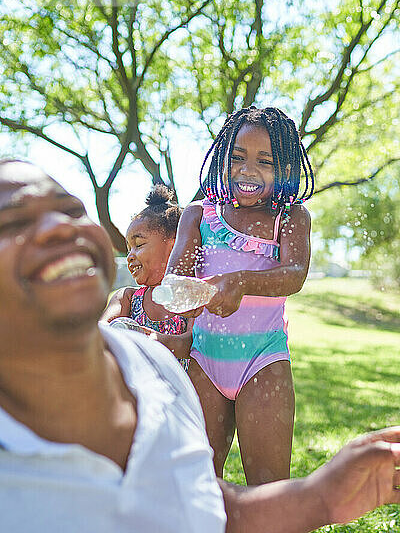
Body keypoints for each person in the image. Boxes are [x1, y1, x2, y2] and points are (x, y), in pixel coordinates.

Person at [0, 159, 399, 533]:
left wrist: (322, 497)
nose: (59, 227)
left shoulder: (155, 368)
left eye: (71, 209)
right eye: (13, 221)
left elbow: (200, 502)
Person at [166, 106, 314, 484]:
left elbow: (294, 275)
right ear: (222, 158)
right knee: (197, 482)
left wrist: (241, 282)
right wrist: (186, 304)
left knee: (269, 488)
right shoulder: (199, 214)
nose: (248, 171)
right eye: (237, 158)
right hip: (203, 361)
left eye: (265, 162)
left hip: (263, 362)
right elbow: (174, 281)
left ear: (285, 169)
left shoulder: (290, 217)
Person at [101, 184, 191, 369]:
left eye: (139, 244)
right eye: (128, 248)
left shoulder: (192, 297)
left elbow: (191, 343)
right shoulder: (127, 298)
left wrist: (151, 339)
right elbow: (102, 329)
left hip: (185, 393)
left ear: (174, 247)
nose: (129, 256)